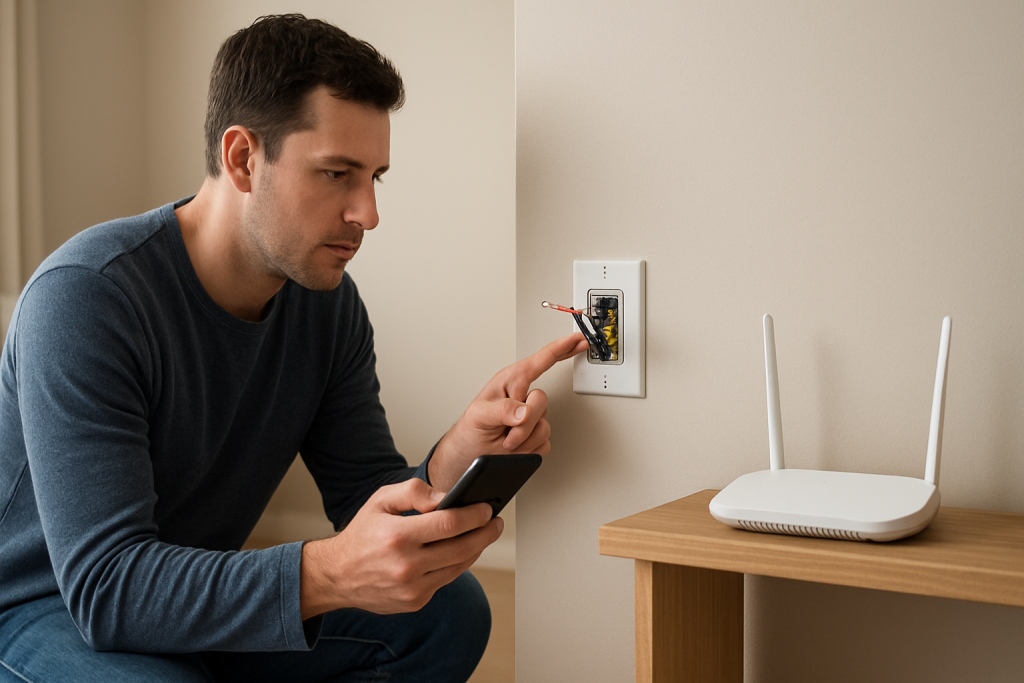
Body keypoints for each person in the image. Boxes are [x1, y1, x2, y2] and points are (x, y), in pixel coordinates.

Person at [0, 14, 588, 682]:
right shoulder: (87, 298)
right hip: (41, 610)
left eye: (375, 177)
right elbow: (108, 588)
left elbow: (364, 491)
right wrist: (328, 572)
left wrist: (457, 456)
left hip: (186, 599)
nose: (367, 213)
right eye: (337, 173)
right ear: (243, 158)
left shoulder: (326, 304)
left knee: (447, 612)